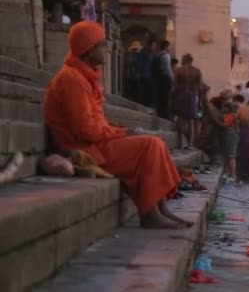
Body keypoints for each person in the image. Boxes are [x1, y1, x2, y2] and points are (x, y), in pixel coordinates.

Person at [44, 21, 190, 229]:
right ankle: (150, 214)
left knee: (155, 142)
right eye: (103, 45)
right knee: (149, 146)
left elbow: (94, 124)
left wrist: (118, 131)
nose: (108, 49)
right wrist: (120, 133)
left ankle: (162, 209)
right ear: (90, 49)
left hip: (94, 143)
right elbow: (86, 130)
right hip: (83, 150)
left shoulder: (82, 77)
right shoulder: (71, 80)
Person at [172, 53, 203, 149]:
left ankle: (180, 143)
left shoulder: (179, 70)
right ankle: (190, 144)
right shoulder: (197, 71)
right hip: (192, 96)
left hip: (181, 94)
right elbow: (200, 87)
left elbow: (174, 85)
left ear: (185, 59)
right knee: (190, 120)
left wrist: (172, 98)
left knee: (181, 118)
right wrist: (200, 101)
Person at [134, 39, 156, 107]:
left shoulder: (151, 53)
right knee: (144, 93)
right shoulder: (143, 52)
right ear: (149, 45)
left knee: (148, 93)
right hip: (144, 76)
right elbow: (137, 63)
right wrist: (139, 72)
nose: (154, 48)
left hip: (149, 76)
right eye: (153, 46)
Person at [156, 40, 173, 120]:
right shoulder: (166, 56)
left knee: (161, 97)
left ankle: (161, 114)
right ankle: (166, 116)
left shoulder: (159, 55)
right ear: (166, 47)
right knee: (166, 97)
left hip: (160, 77)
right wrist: (173, 79)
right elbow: (168, 69)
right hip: (166, 78)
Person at [222, 101, 239, 180]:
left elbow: (225, 125)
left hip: (230, 134)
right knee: (230, 155)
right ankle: (231, 173)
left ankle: (232, 174)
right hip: (233, 134)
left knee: (231, 155)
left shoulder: (230, 116)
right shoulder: (234, 115)